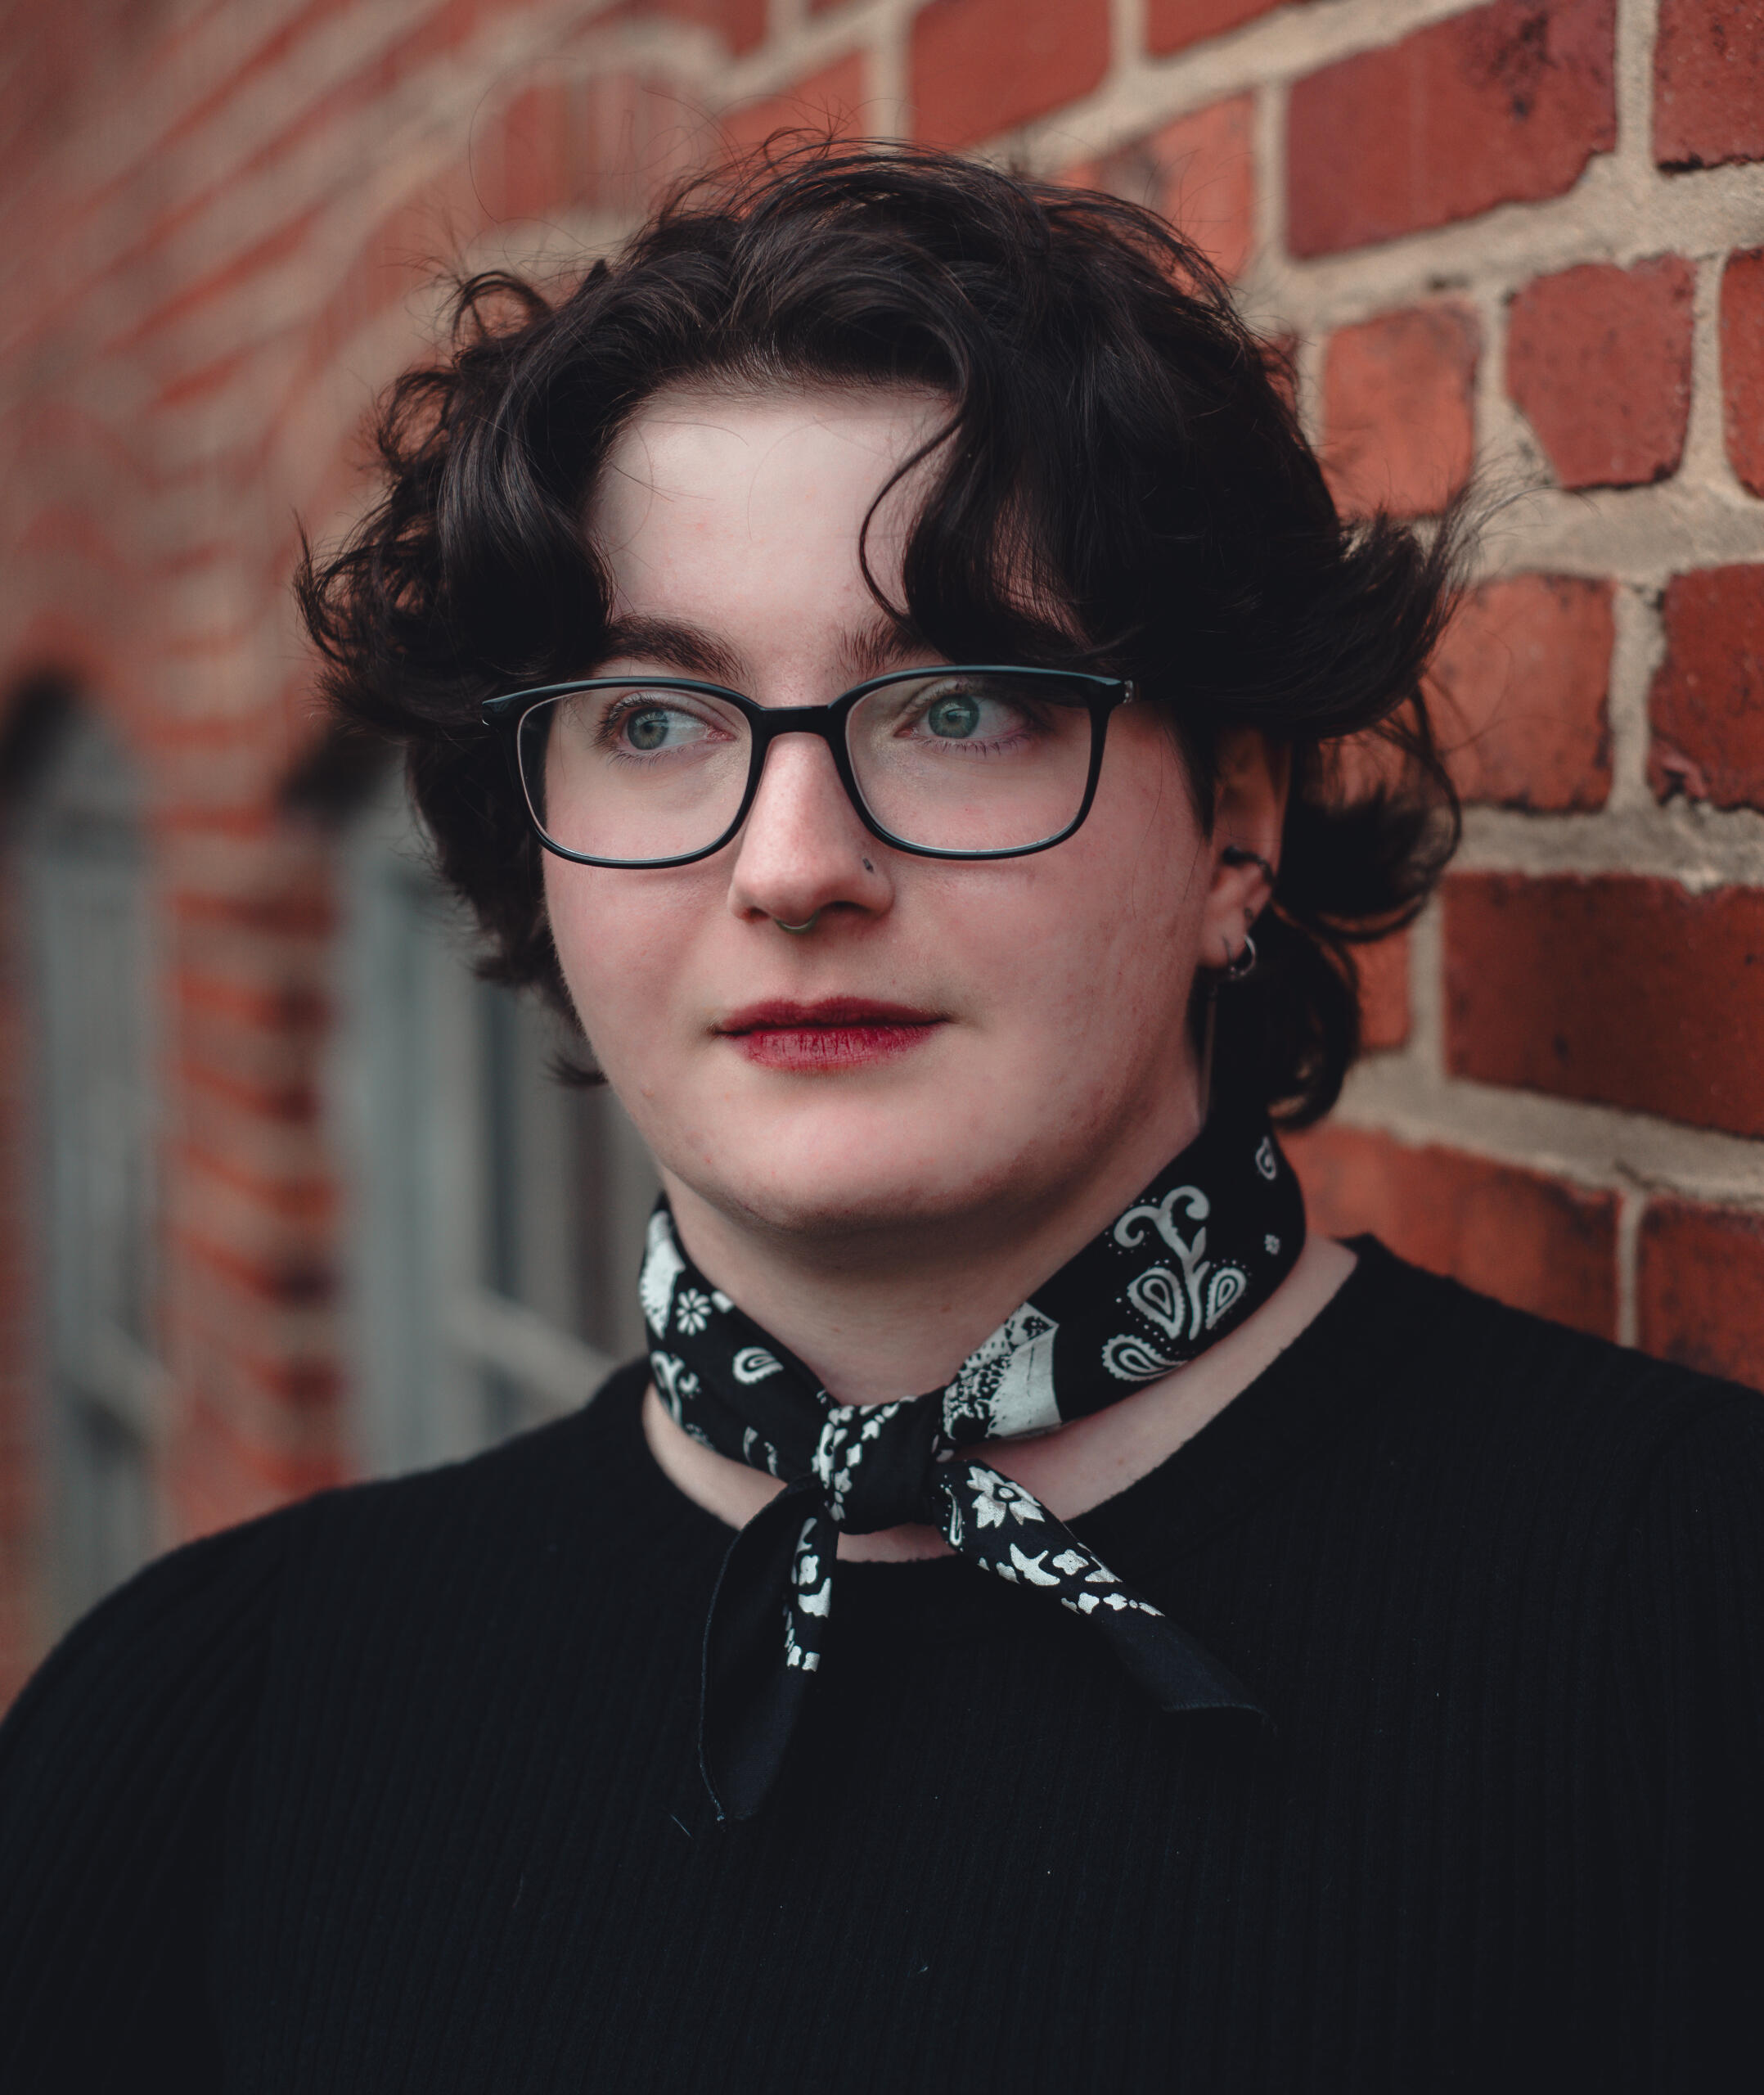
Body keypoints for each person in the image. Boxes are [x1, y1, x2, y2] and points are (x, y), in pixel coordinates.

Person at [2, 142, 1759, 2093]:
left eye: (957, 706)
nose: (793, 865)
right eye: (655, 722)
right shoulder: (221, 1721)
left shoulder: (1687, 1633)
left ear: (1235, 819)